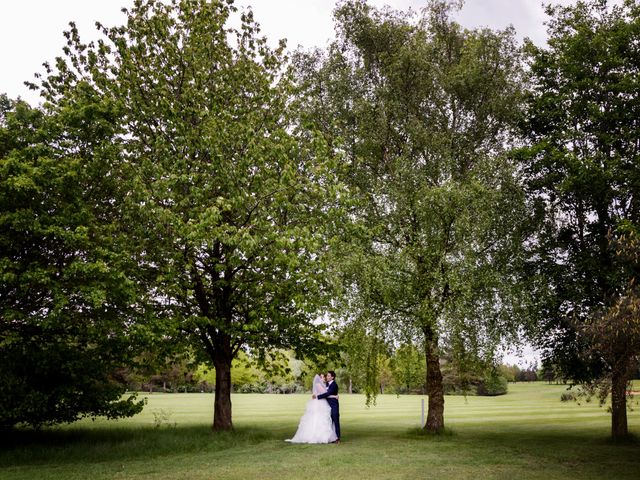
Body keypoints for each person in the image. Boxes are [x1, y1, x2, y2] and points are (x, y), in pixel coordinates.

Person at [285, 373, 338, 444]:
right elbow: (325, 395)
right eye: (322, 377)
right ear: (319, 378)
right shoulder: (318, 385)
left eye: (324, 377)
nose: (324, 378)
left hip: (321, 402)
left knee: (321, 419)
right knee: (318, 419)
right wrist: (334, 396)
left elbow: (324, 394)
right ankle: (317, 436)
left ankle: (325, 436)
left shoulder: (323, 385)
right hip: (319, 403)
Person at [314, 370, 340, 443]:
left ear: (332, 377)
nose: (327, 377)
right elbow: (326, 393)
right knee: (328, 422)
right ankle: (331, 438)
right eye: (327, 376)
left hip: (334, 405)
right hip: (327, 405)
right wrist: (335, 396)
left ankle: (338, 438)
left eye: (328, 376)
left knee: (335, 421)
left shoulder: (334, 385)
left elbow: (327, 394)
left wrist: (318, 397)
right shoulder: (326, 384)